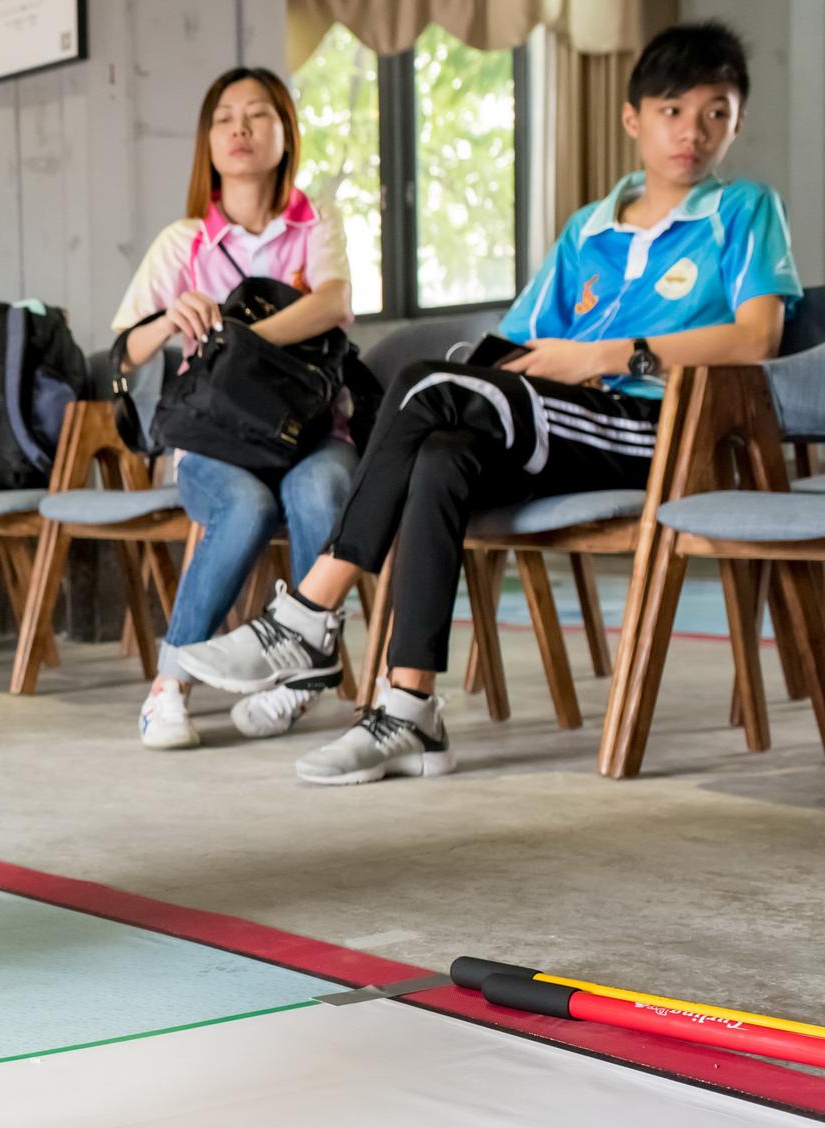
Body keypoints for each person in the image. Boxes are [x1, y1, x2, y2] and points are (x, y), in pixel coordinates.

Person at [178, 21, 800, 784]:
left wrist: (609, 355)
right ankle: (409, 711)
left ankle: (309, 616)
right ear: (633, 117)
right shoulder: (588, 230)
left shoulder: (744, 210)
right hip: (567, 419)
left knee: (426, 386)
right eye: (673, 110)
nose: (693, 132)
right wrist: (499, 376)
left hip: (664, 427)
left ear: (737, 121)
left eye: (716, 111)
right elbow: (515, 340)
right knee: (439, 456)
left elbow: (757, 336)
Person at [110, 67, 357, 750]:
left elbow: (333, 302)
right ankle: (171, 681)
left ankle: (301, 675)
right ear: (208, 141)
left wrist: (232, 342)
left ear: (286, 131)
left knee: (324, 488)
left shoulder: (317, 224)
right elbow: (124, 351)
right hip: (215, 440)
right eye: (224, 117)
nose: (241, 129)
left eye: (258, 114)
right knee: (243, 505)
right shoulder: (182, 241)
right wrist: (169, 319)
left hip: (313, 430)